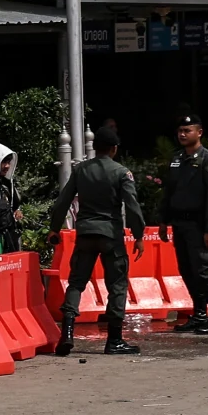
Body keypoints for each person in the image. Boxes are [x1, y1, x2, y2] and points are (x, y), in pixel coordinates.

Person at [53, 124, 145, 356]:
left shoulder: (81, 170)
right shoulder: (121, 172)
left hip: (85, 233)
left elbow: (63, 201)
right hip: (111, 236)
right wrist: (139, 235)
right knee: (117, 285)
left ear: (94, 147)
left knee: (76, 283)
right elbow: (132, 207)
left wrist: (54, 229)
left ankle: (67, 334)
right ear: (114, 149)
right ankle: (114, 340)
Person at [160, 111, 208, 333]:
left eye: (187, 130)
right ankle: (199, 314)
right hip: (180, 224)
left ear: (199, 132)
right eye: (180, 130)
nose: (182, 134)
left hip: (199, 226)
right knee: (187, 270)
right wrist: (163, 221)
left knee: (204, 271)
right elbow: (168, 193)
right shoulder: (177, 159)